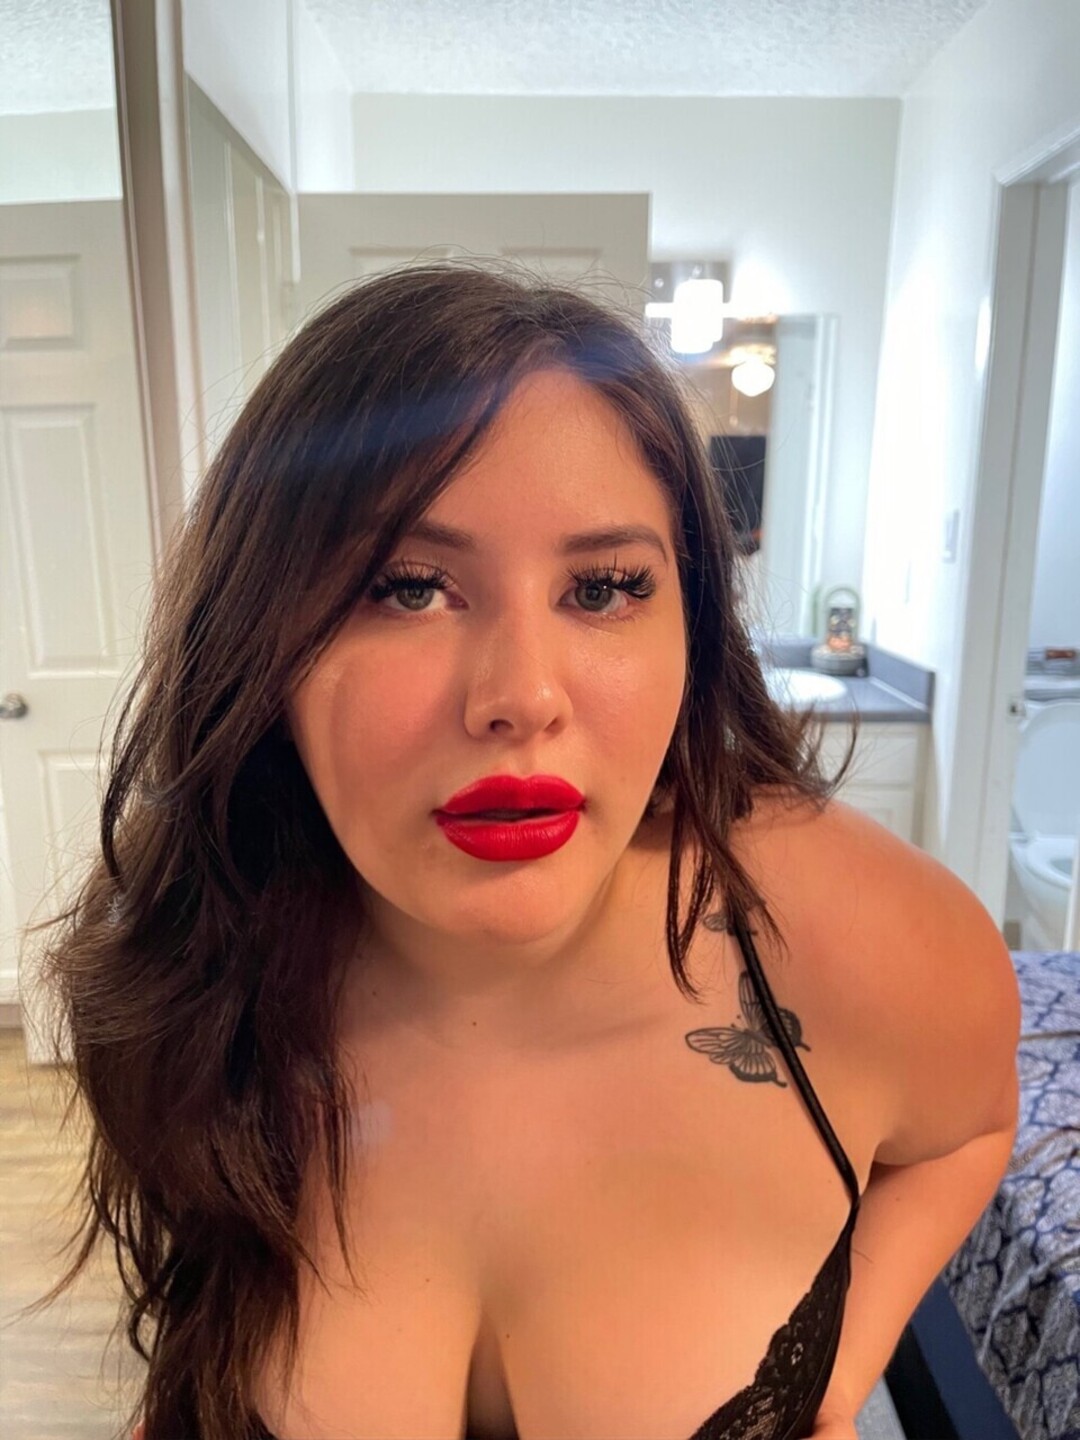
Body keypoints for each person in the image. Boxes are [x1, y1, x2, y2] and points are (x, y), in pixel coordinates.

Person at [26, 261, 1020, 1440]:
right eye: (407, 587)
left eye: (602, 589)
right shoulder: (193, 974)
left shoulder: (850, 929)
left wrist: (836, 1372)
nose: (521, 697)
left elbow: (971, 1125)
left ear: (693, 626)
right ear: (261, 641)